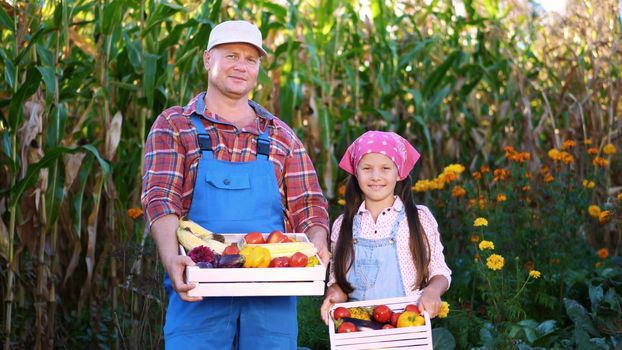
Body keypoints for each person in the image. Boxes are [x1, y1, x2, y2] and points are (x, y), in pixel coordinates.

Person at [141, 20, 330, 349]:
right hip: (198, 290)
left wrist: (318, 242)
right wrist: (172, 259)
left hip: (271, 296)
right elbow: (160, 198)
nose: (241, 66)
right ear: (206, 59)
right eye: (231, 55)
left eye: (250, 59)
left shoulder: (281, 136)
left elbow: (309, 205)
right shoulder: (175, 125)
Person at [320, 131, 452, 324]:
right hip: (360, 329)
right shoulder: (343, 225)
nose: (375, 176)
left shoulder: (418, 219)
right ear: (356, 173)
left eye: (385, 168)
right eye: (366, 168)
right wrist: (333, 295)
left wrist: (432, 291)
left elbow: (440, 271)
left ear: (399, 172)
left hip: (407, 324)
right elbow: (339, 282)